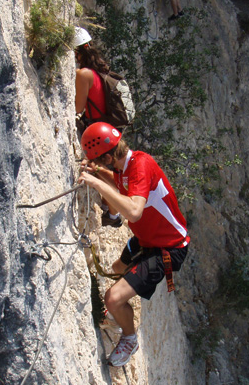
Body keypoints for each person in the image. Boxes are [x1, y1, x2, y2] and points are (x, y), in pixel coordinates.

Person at [78, 122, 190, 366]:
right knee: (119, 268)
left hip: (167, 250)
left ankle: (129, 338)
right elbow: (121, 183)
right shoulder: (124, 166)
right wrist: (98, 171)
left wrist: (95, 183)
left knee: (112, 298)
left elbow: (134, 211)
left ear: (108, 155)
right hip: (148, 239)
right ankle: (122, 307)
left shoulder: (140, 166)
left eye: (100, 159)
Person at [73, 27, 109, 128]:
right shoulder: (100, 70)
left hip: (95, 125)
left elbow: (78, 109)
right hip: (106, 125)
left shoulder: (83, 74)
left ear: (76, 53)